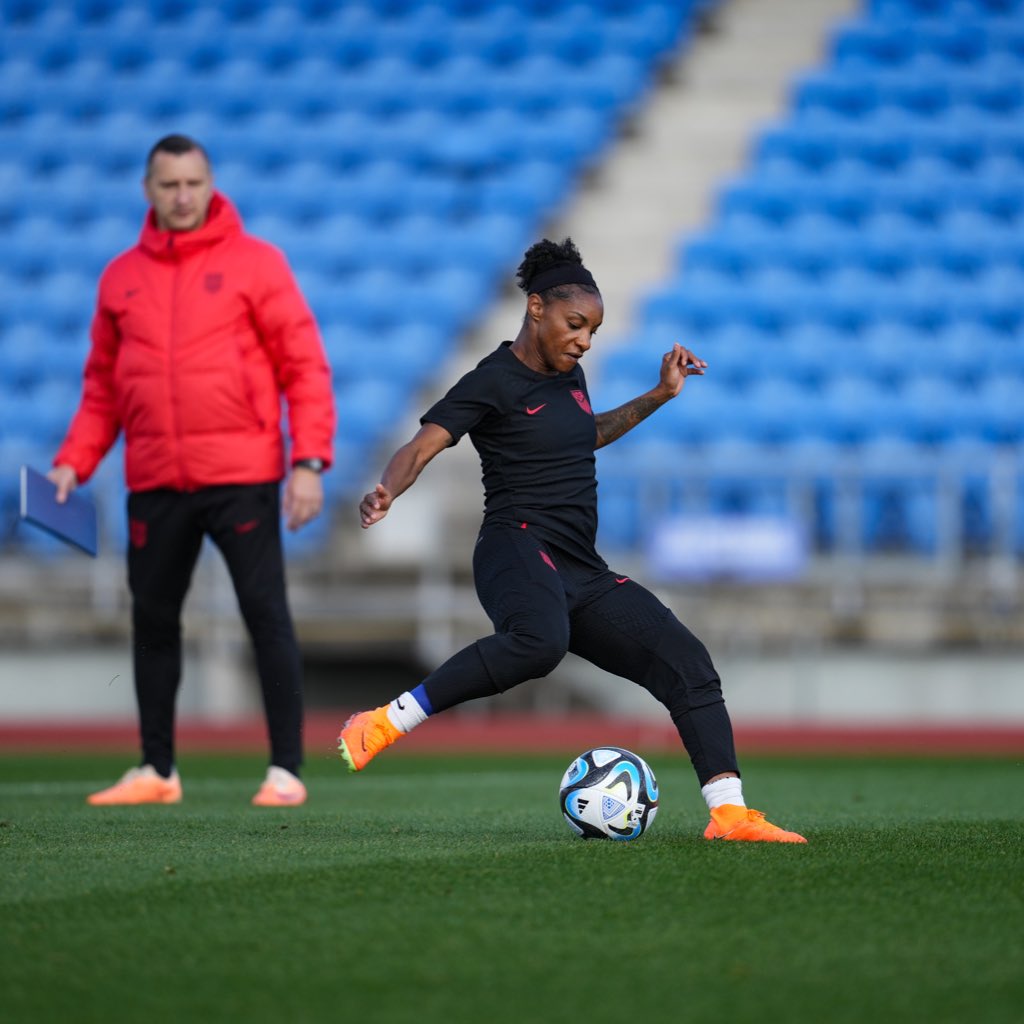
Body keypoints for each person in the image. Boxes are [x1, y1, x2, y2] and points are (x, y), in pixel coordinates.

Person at [339, 237, 805, 842]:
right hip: (515, 546)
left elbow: (585, 434)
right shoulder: (492, 380)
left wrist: (659, 396)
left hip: (580, 566)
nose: (585, 340)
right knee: (539, 643)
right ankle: (384, 721)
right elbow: (423, 443)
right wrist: (387, 490)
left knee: (688, 664)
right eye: (575, 324)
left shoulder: (571, 375)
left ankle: (730, 814)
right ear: (536, 308)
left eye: (592, 330)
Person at [49, 134, 336, 808]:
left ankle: (286, 771)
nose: (182, 196)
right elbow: (102, 389)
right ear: (148, 190)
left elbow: (305, 367)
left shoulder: (257, 264)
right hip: (153, 480)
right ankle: (157, 770)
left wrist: (309, 462)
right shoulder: (120, 277)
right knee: (153, 620)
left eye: (193, 184)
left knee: (265, 614)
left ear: (211, 186)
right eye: (169, 184)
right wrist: (72, 462)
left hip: (241, 473)